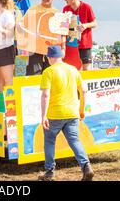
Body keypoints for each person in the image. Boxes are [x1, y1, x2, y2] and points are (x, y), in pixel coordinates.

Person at [39, 45, 94, 181]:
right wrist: (81, 109)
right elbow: (84, 90)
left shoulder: (48, 72)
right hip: (72, 113)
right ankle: (86, 166)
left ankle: (50, 172)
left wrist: (43, 116)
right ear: (61, 56)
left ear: (49, 57)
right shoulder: (73, 69)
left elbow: (45, 95)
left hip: (55, 114)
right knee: (74, 141)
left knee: (50, 141)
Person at [24, 0, 60, 75]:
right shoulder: (33, 10)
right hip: (35, 47)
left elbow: (60, 32)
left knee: (51, 73)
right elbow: (25, 26)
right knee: (34, 74)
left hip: (51, 48)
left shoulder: (57, 13)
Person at [63, 0, 97, 71]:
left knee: (87, 69)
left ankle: (85, 84)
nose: (65, 0)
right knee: (72, 69)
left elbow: (95, 23)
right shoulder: (65, 9)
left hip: (85, 44)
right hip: (71, 44)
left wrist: (85, 25)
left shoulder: (86, 7)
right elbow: (63, 27)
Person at [0, 0, 16, 91]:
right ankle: (0, 104)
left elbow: (10, 34)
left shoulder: (7, 15)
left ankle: (10, 104)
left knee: (8, 80)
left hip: (6, 49)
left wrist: (0, 29)